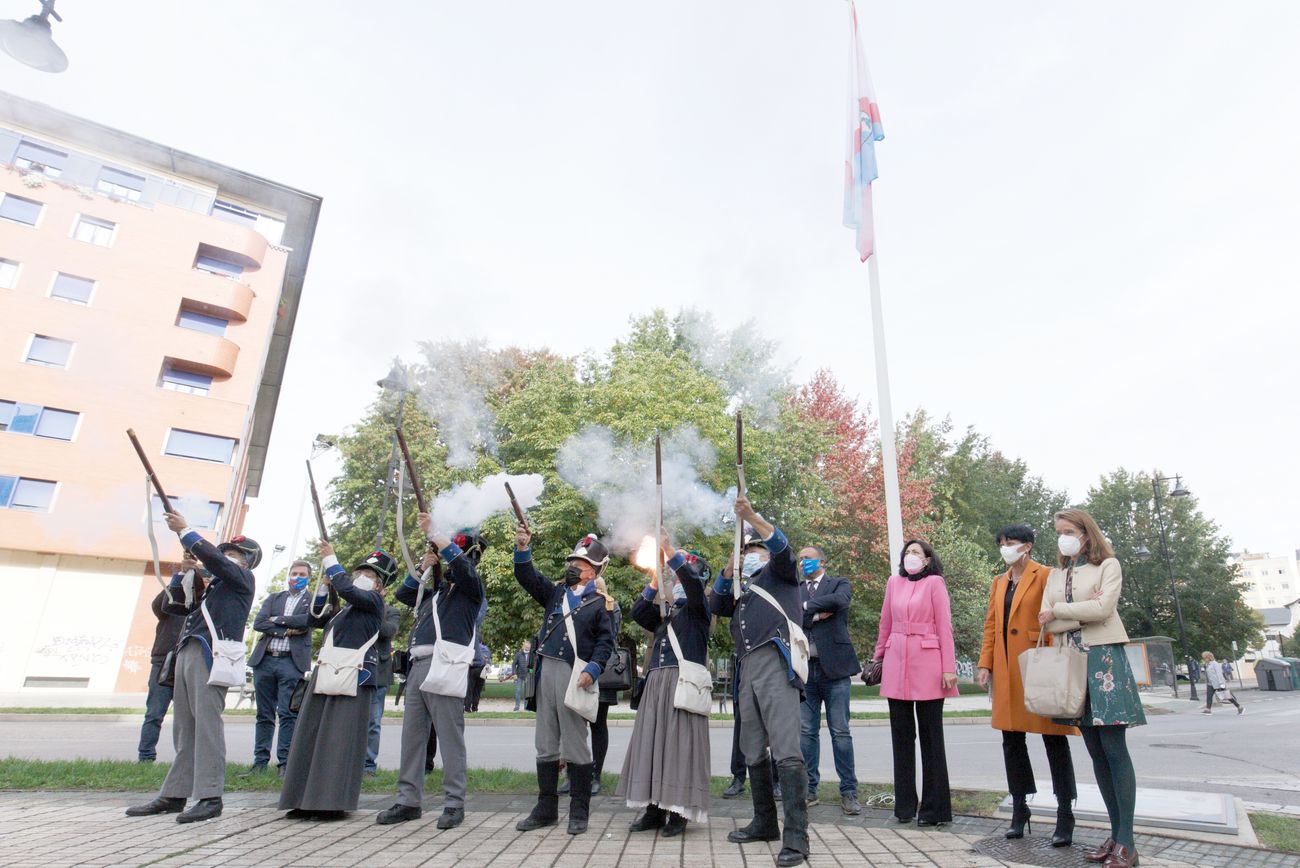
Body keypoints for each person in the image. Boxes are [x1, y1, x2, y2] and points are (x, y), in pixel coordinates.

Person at [125, 516, 257, 823]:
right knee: (184, 728)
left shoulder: (241, 581)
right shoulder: (212, 588)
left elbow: (214, 559)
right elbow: (175, 607)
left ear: (246, 563)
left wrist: (185, 531)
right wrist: (184, 574)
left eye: (234, 555)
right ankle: (175, 793)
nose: (225, 557)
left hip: (210, 654)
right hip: (188, 650)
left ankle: (210, 796)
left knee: (207, 726)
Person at [1039, 509, 1147, 868]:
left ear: (1086, 533)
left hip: (1104, 662)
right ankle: (1115, 836)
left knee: (1115, 750)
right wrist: (1070, 611)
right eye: (1058, 532)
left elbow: (1104, 609)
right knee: (1096, 754)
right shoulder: (1055, 574)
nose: (1063, 537)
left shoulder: (1108, 566)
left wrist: (1061, 609)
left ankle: (1128, 843)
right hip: (1071, 664)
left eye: (1069, 531)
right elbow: (1048, 622)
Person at [712, 496, 810, 868]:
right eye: (747, 549)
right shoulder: (741, 583)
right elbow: (716, 607)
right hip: (747, 666)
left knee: (786, 749)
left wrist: (751, 516)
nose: (752, 554)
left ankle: (797, 839)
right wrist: (730, 563)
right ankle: (765, 822)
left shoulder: (781, 573)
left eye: (755, 548)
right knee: (752, 747)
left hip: (774, 660)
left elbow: (782, 547)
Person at [376, 521, 485, 829]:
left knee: (450, 739)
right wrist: (424, 566)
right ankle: (408, 800)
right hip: (418, 664)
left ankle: (454, 803)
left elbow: (464, 570)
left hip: (446, 664)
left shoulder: (470, 588)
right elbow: (404, 594)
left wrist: (441, 539)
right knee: (412, 739)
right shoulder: (433, 590)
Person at [976, 525, 1078, 846]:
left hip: (1039, 665)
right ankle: (1020, 808)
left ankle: (1065, 813)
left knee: (1054, 740)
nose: (1006, 548)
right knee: (1011, 741)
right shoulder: (999, 582)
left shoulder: (1045, 574)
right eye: (1003, 543)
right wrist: (985, 663)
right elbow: (992, 625)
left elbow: (1059, 613)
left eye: (1012, 543)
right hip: (1007, 669)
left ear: (1028, 546)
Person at [513, 526, 615, 836]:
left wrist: (594, 669)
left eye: (581, 564)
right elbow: (528, 578)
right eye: (573, 561)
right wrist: (522, 549)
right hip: (547, 672)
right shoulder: (556, 592)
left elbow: (605, 643)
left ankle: (579, 811)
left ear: (593, 571)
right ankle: (546, 809)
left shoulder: (600, 603)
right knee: (545, 743)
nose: (574, 566)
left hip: (575, 676)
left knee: (575, 745)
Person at [279, 545, 389, 818]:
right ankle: (303, 800)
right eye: (359, 572)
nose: (361, 577)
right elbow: (314, 617)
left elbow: (349, 590)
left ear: (379, 586)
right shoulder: (345, 609)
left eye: (368, 575)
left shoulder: (374, 602)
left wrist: (330, 559)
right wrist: (324, 587)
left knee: (339, 740)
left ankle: (331, 803)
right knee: (311, 736)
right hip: (327, 670)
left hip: (354, 675)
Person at [617, 532, 712, 837]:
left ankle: (678, 812)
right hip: (657, 681)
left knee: (679, 748)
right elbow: (637, 612)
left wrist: (669, 550)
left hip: (681, 683)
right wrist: (657, 579)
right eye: (676, 579)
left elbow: (694, 585)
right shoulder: (666, 612)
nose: (679, 583)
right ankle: (653, 810)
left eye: (681, 578)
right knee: (653, 746)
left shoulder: (699, 609)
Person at [871, 539, 958, 828]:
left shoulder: (935, 583)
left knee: (932, 739)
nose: (910, 556)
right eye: (907, 552)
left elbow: (944, 626)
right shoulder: (893, 582)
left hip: (929, 662)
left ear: (928, 560)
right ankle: (905, 806)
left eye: (916, 552)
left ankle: (934, 810)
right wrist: (878, 658)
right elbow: (885, 623)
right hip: (896, 662)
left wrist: (949, 667)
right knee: (901, 738)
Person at [798, 544, 861, 815]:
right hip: (805, 671)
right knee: (807, 734)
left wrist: (806, 610)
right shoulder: (795, 590)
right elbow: (790, 616)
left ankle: (849, 792)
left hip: (834, 671)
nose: (803, 563)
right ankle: (809, 789)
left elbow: (840, 602)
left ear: (822, 561)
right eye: (800, 559)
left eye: (808, 558)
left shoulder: (839, 583)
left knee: (840, 732)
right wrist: (812, 613)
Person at [247, 560, 314, 775]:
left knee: (287, 713)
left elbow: (307, 621)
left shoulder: (312, 601)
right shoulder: (274, 598)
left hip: (291, 662)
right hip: (264, 661)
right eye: (294, 573)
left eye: (302, 573)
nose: (297, 577)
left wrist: (278, 620)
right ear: (288, 576)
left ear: (309, 577)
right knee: (264, 714)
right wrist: (286, 630)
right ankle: (260, 762)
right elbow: (259, 623)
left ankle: (284, 763)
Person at [560, 575, 620, 797]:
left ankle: (595, 775)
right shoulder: (572, 603)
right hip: (577, 670)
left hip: (600, 674)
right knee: (573, 724)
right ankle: (572, 773)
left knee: (598, 726)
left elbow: (609, 637)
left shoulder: (609, 605)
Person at [137, 562, 186, 763]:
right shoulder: (170, 600)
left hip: (188, 663)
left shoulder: (203, 602)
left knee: (186, 718)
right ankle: (146, 756)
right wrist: (178, 578)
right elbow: (157, 607)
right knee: (155, 713)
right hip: (163, 662)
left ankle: (184, 759)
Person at [364, 599, 402, 776]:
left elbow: (387, 631)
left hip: (378, 673)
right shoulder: (353, 608)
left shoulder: (391, 611)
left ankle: (368, 766)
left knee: (373, 722)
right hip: (352, 671)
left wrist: (374, 608)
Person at [513, 640, 532, 712]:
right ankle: (517, 706)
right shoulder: (518, 654)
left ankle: (526, 707)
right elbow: (513, 664)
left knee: (527, 692)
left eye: (528, 647)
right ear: (523, 646)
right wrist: (514, 673)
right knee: (518, 691)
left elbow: (533, 666)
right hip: (519, 676)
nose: (527, 648)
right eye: (526, 646)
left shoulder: (531, 655)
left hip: (528, 676)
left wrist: (530, 672)